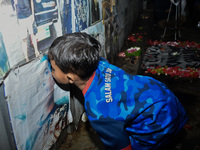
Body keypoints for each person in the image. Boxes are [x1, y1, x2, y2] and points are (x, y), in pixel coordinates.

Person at [48, 32, 188, 150]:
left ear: (70, 78)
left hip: (158, 119)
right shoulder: (100, 63)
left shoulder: (99, 110)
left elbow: (122, 147)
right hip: (162, 92)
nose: (52, 71)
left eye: (53, 69)